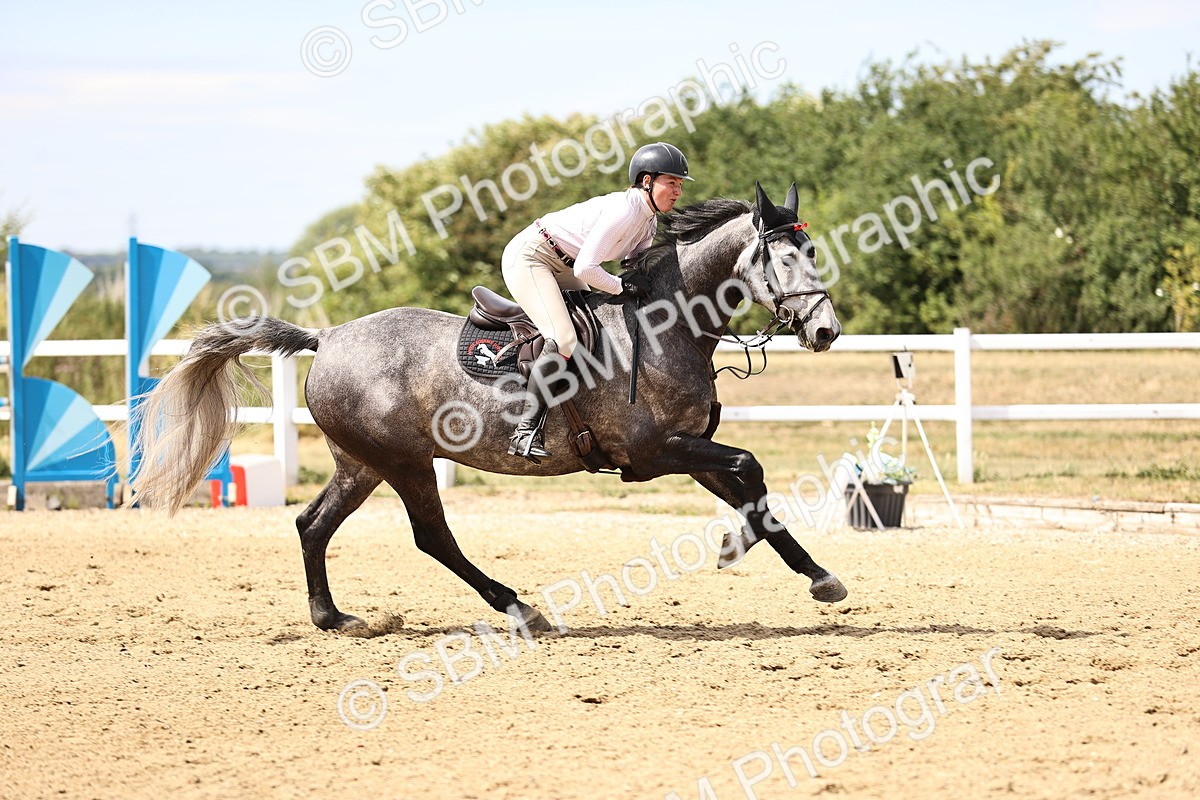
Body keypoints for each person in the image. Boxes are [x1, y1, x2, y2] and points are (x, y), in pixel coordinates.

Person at [501, 141, 693, 460]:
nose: (677, 191)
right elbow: (587, 268)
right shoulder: (625, 210)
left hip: (562, 262)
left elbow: (633, 268)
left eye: (680, 185)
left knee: (596, 329)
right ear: (647, 181)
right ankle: (524, 431)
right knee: (563, 338)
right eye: (671, 182)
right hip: (533, 256)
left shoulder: (648, 219)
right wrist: (621, 287)